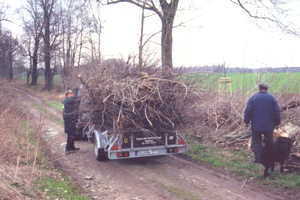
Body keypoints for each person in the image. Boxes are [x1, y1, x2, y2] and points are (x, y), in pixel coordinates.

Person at [244, 82, 281, 164]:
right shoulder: (272, 98)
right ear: (267, 89)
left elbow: (247, 110)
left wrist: (246, 121)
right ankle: (268, 159)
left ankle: (258, 160)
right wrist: (277, 123)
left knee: (257, 142)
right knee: (269, 142)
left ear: (259, 89)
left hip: (256, 125)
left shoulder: (253, 98)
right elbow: (277, 111)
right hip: (269, 126)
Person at [63, 90, 80, 154]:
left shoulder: (70, 100)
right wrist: (81, 96)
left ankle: (72, 147)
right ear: (67, 95)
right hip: (69, 120)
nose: (72, 94)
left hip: (72, 119)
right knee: (71, 134)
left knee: (73, 133)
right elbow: (76, 99)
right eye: (71, 93)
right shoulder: (68, 100)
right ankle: (67, 149)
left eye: (72, 93)